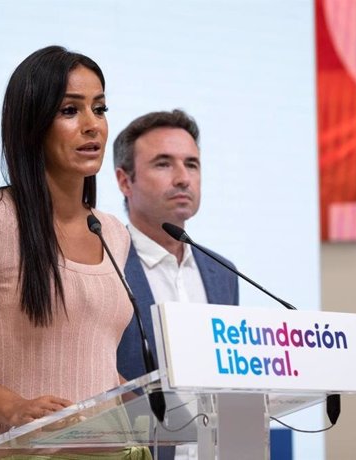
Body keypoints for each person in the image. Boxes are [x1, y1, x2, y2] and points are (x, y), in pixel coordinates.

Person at [0, 46, 150, 460]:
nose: (93, 126)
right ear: (32, 124)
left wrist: (137, 401)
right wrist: (15, 407)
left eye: (100, 108)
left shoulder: (113, 232)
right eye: (70, 111)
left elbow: (87, 354)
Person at [113, 110, 239, 460]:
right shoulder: (105, 266)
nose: (183, 178)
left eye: (192, 164)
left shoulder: (223, 273)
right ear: (125, 181)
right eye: (164, 164)